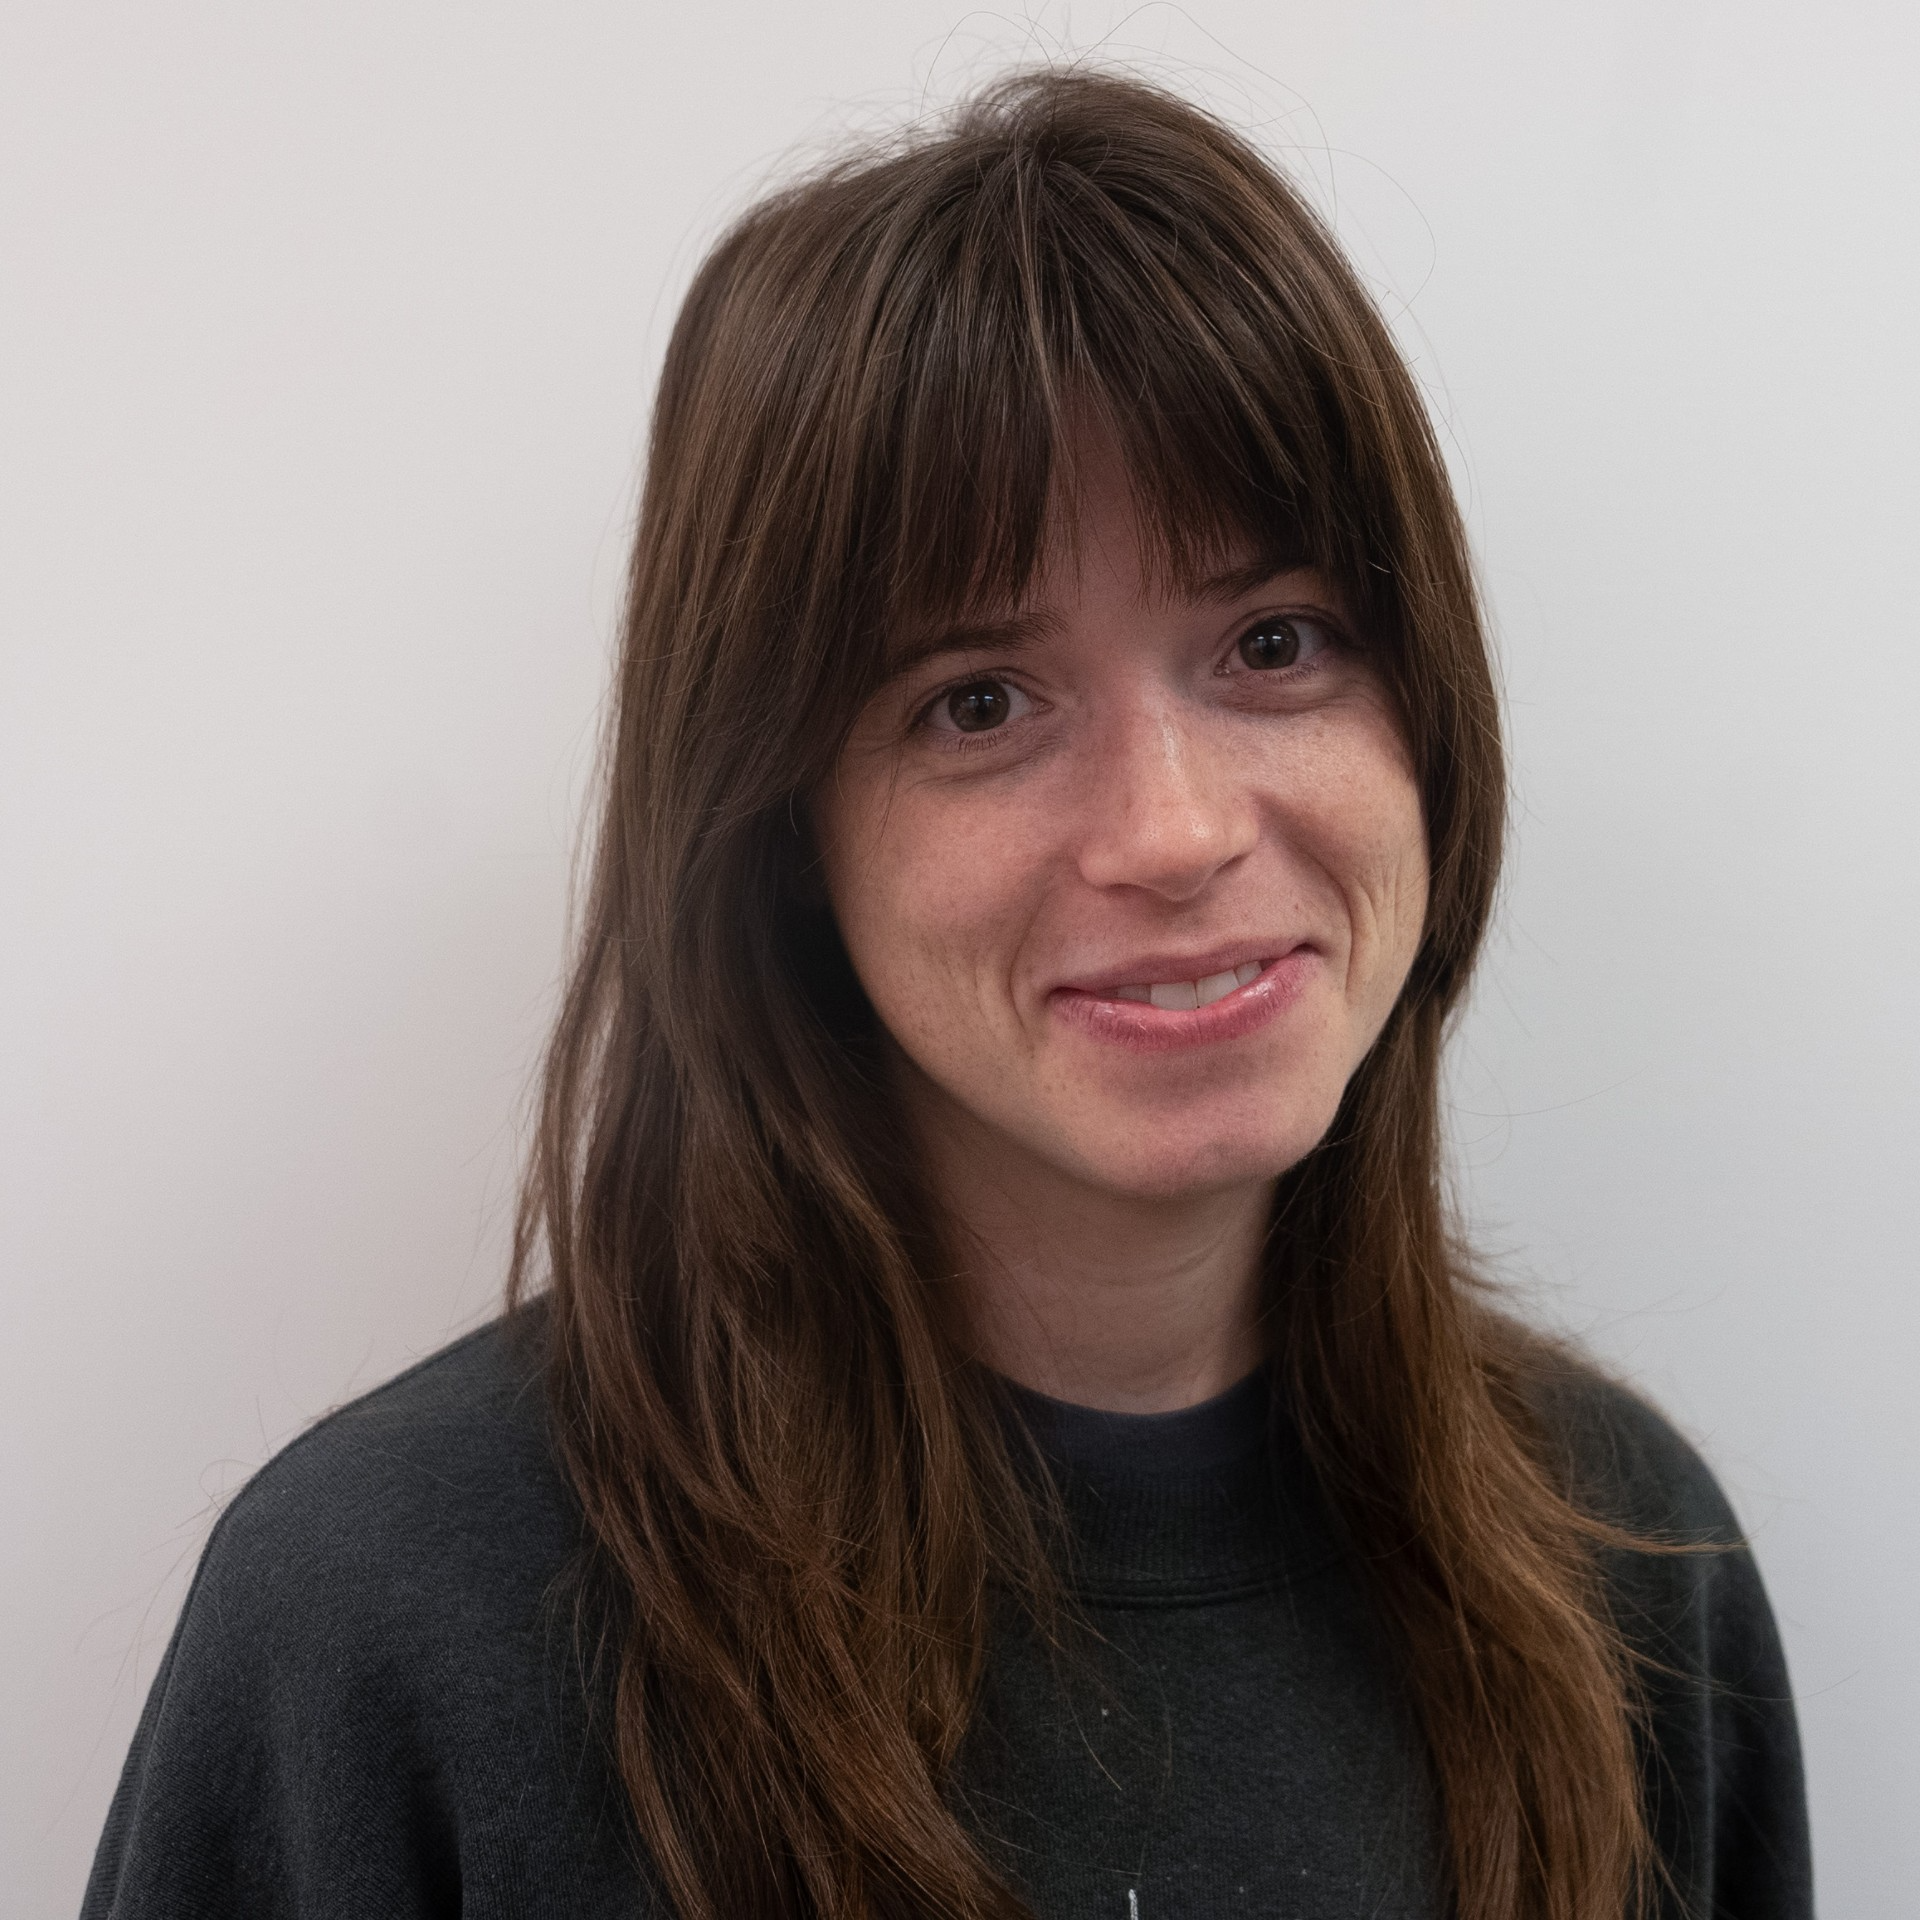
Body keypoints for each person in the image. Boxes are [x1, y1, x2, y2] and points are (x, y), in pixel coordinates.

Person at [82, 68, 1810, 1920]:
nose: (1171, 828)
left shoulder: (1627, 1566)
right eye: (979, 701)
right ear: (782, 833)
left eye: (1274, 643)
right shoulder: (387, 1626)